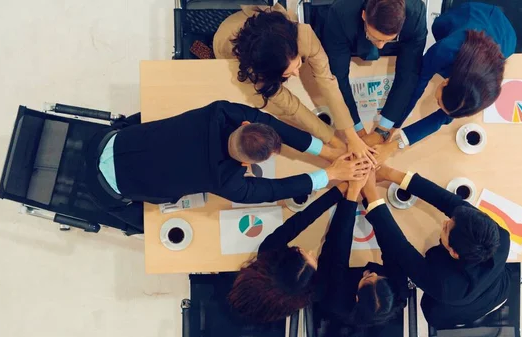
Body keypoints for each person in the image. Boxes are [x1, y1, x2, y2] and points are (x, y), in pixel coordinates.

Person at [87, 100, 371, 206]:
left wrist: (326, 152)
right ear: (247, 163)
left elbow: (270, 124)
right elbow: (273, 190)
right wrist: (332, 174)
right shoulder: (223, 181)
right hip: (114, 189)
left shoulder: (219, 113)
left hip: (114, 141)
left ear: (245, 124)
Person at [213, 4, 377, 163]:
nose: (297, 74)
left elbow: (327, 81)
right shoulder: (255, 70)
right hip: (228, 42)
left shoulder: (304, 36)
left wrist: (351, 135)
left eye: (298, 64)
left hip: (267, 28)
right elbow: (292, 107)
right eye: (287, 73)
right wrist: (334, 140)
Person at [366, 166, 511, 327]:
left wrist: (370, 192)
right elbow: (449, 201)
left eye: (446, 228)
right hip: (499, 286)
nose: (444, 221)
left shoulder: (444, 285)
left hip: (452, 308)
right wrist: (389, 173)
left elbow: (399, 247)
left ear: (454, 252)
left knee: (431, 307)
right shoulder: (499, 236)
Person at [371, 2, 517, 147]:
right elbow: (416, 85)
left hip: (502, 35)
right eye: (439, 102)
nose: (437, 103)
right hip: (468, 12)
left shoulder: (486, 90)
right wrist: (393, 125)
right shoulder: (444, 51)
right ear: (446, 81)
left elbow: (447, 116)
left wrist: (398, 142)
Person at [228, 183, 349, 323]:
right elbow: (338, 245)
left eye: (300, 252)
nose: (310, 252)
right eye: (314, 261)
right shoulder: (316, 291)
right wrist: (350, 196)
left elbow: (300, 221)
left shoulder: (269, 250)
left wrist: (339, 191)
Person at [316, 170, 407, 330]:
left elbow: (338, 250)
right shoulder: (398, 295)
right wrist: (370, 197)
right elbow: (391, 245)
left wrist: (351, 196)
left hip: (333, 273)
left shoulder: (337, 300)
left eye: (367, 279)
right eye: (377, 276)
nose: (370, 273)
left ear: (357, 297)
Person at [323, 0, 427, 138]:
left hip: (390, 56)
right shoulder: (341, 12)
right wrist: (357, 129)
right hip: (349, 41)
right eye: (375, 37)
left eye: (388, 39)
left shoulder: (416, 13)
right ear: (364, 15)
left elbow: (408, 73)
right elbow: (338, 75)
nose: (380, 46)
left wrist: (382, 130)